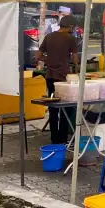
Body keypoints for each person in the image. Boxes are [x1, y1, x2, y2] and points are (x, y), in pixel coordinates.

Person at [36, 15, 79, 145]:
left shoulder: (49, 37)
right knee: (66, 108)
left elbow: (38, 56)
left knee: (53, 107)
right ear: (71, 26)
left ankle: (54, 138)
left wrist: (49, 60)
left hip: (50, 76)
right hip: (63, 78)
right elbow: (75, 60)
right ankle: (62, 138)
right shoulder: (71, 38)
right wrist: (75, 66)